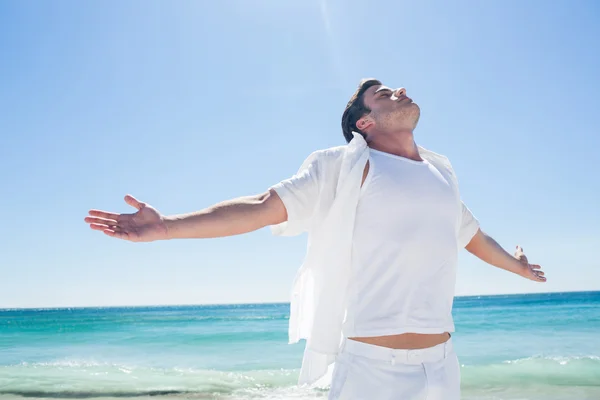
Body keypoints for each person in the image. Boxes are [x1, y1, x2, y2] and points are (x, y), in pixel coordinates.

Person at [84, 78, 546, 400]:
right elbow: (263, 205)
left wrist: (518, 267)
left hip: (444, 368)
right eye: (381, 95)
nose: (399, 91)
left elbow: (471, 235)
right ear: (364, 123)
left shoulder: (441, 172)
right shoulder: (345, 167)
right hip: (373, 371)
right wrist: (167, 227)